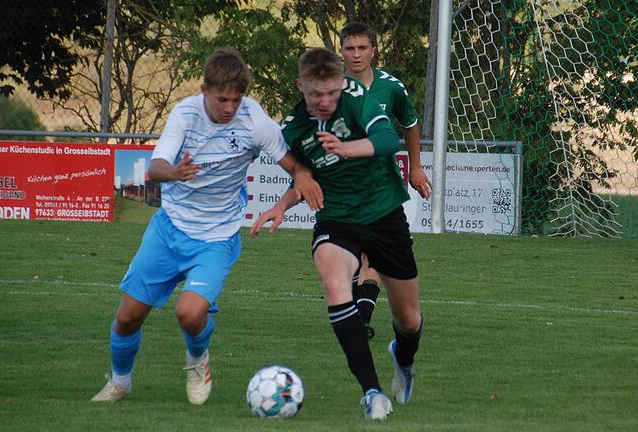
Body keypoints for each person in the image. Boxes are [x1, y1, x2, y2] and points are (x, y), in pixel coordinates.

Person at [91, 48, 322, 404]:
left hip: (217, 238)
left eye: (236, 99)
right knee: (127, 318)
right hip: (169, 230)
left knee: (189, 313)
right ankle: (121, 382)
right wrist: (175, 172)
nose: (229, 107)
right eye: (222, 99)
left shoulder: (254, 119)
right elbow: (155, 169)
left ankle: (198, 359)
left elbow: (292, 163)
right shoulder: (185, 114)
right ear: (204, 90)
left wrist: (303, 176)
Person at [251, 47, 424, 420]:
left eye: (331, 92)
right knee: (334, 283)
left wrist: (346, 149)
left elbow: (387, 140)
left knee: (409, 320)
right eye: (316, 94)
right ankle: (373, 393)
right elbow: (305, 178)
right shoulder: (294, 127)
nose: (326, 101)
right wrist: (282, 205)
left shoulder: (358, 99)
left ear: (340, 84)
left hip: (384, 214)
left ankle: (403, 359)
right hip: (337, 220)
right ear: (301, 87)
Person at [339, 22, 432, 339]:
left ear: (373, 50)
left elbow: (411, 124)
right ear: (341, 52)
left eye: (362, 47)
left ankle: (360, 317)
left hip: (381, 187)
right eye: (350, 48)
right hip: (343, 186)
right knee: (349, 258)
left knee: (370, 255)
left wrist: (416, 168)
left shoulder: (391, 87)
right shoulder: (331, 88)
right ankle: (357, 310)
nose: (356, 54)